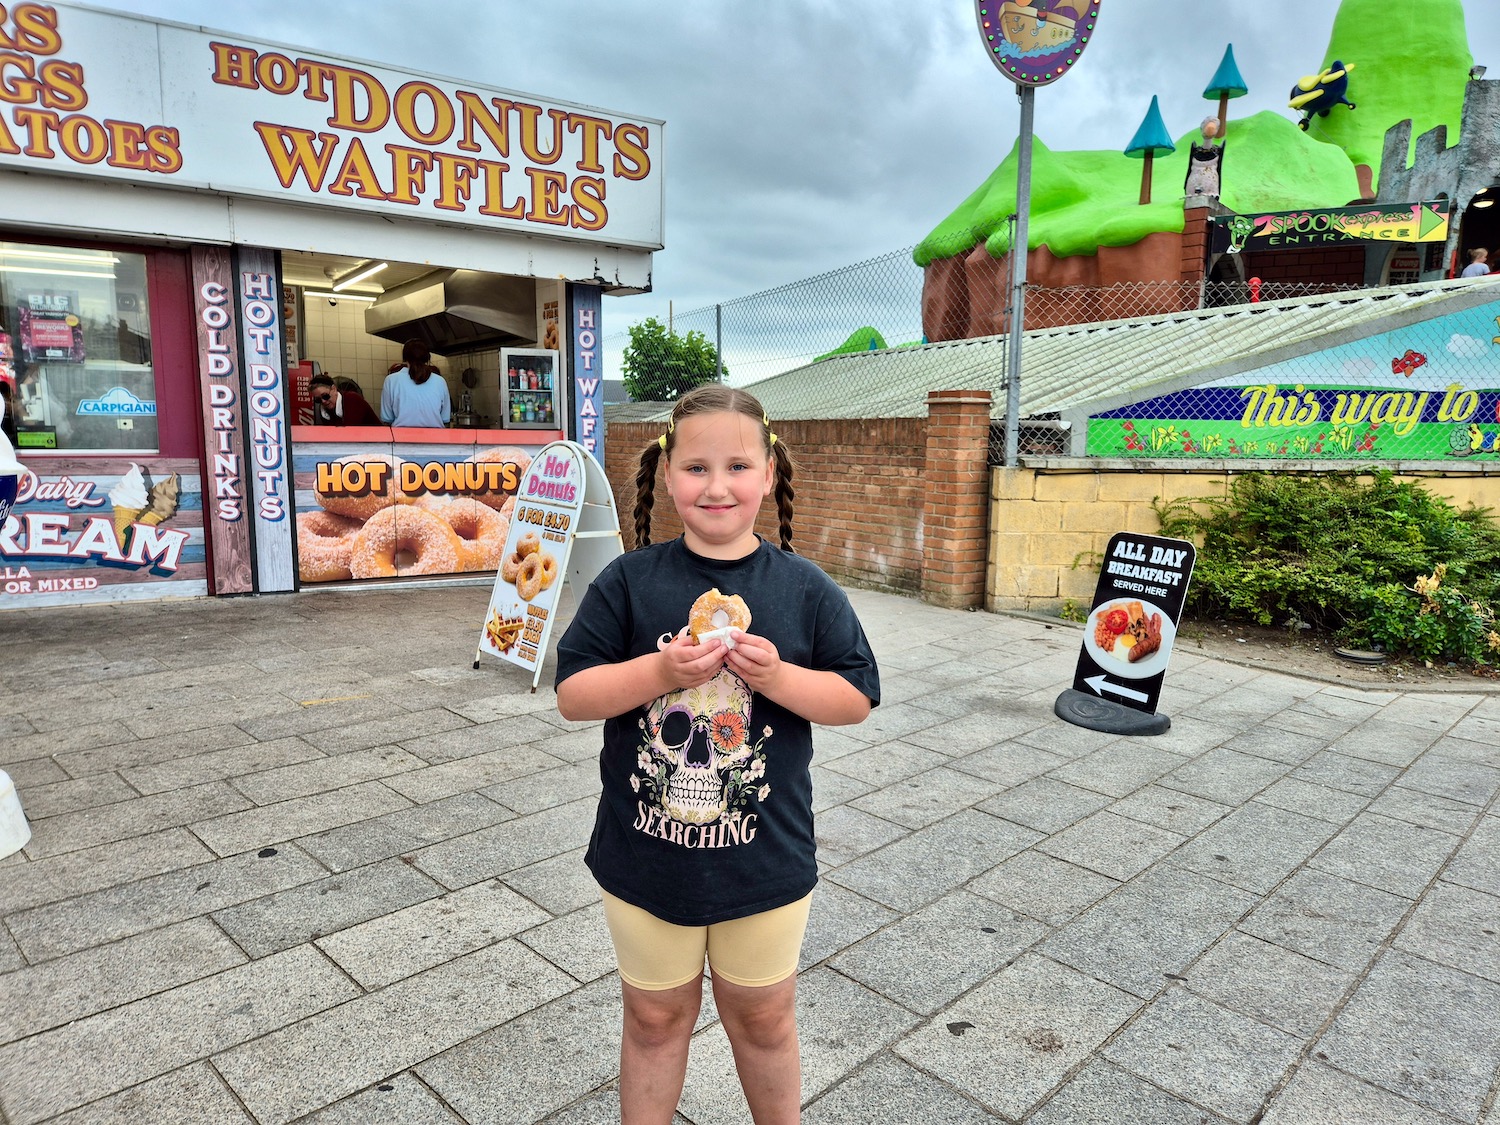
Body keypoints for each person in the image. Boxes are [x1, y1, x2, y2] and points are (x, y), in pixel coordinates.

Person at [555, 384, 880, 1124]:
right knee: (653, 1019)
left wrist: (778, 677)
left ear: (769, 472)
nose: (717, 485)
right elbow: (576, 693)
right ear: (667, 474)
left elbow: (856, 698)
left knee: (764, 1018)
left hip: (765, 860)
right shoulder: (629, 582)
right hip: (645, 858)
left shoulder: (805, 588)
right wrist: (663, 672)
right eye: (696, 467)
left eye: (737, 465)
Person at [379, 338, 450, 427]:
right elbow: (445, 418)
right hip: (435, 438)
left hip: (401, 438)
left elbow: (387, 419)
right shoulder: (440, 381)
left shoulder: (391, 380)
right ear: (427, 358)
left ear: (405, 358)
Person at [309, 372, 380, 426]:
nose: (323, 401)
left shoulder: (352, 400)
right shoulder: (324, 411)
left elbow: (350, 434)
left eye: (325, 396)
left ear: (334, 389)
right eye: (318, 400)